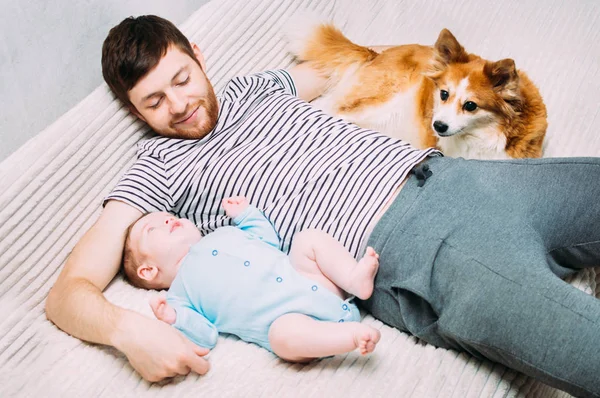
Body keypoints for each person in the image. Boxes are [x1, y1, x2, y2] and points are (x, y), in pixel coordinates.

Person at [44, 15, 600, 397]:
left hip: (461, 174)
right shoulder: (156, 167)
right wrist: (125, 332)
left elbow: (362, 60)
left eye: (182, 79)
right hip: (416, 246)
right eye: (154, 102)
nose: (181, 105)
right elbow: (68, 294)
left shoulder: (253, 87)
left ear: (198, 56)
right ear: (136, 112)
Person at [123, 196, 381, 361]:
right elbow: (206, 336)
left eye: (170, 216)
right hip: (293, 321)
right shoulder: (179, 296)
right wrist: (174, 318)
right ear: (148, 270)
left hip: (307, 278)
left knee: (307, 239)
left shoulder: (223, 232)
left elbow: (267, 240)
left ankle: (352, 278)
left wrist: (247, 215)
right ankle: (348, 336)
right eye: (152, 228)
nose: (169, 220)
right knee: (281, 338)